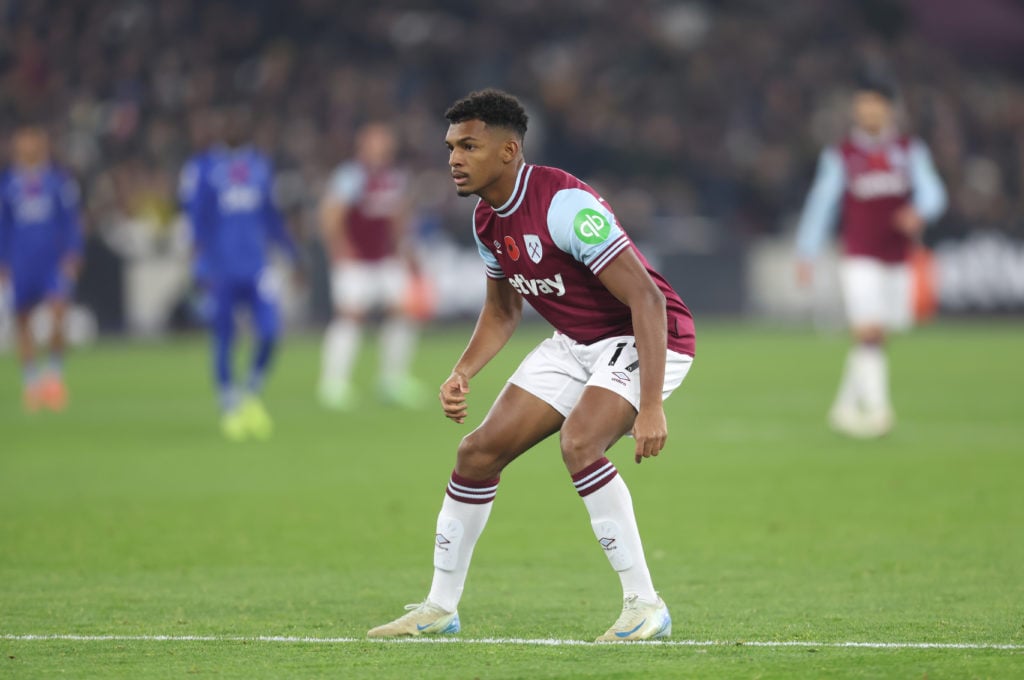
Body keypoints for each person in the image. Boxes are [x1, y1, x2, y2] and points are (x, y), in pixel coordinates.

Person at [367, 90, 696, 642]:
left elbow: (648, 300)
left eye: (469, 146)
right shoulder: (486, 221)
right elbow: (502, 311)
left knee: (581, 442)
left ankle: (645, 605)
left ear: (508, 150)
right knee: (476, 453)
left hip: (646, 336)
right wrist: (462, 371)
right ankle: (439, 608)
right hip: (576, 341)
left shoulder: (564, 206)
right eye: (450, 146)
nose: (454, 158)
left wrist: (652, 404)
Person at [795, 76, 947, 438]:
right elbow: (822, 203)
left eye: (874, 104)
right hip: (859, 255)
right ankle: (879, 412)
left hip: (898, 257)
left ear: (889, 109)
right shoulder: (842, 155)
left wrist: (920, 212)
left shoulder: (910, 150)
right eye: (862, 105)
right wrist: (807, 250)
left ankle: (844, 408)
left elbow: (933, 192)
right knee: (869, 330)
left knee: (878, 336)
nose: (867, 112)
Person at [187, 108, 300, 441]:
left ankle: (248, 392)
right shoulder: (203, 168)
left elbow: (270, 217)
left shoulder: (259, 167)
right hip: (220, 267)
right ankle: (228, 405)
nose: (233, 126)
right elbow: (197, 220)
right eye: (227, 121)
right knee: (224, 337)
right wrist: (199, 263)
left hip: (257, 266)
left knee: (270, 331)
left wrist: (292, 255)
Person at [317, 122, 424, 410]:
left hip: (386, 258)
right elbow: (331, 214)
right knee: (351, 316)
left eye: (385, 145)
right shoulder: (350, 176)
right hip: (355, 260)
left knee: (402, 312)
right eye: (376, 144)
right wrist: (340, 250)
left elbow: (399, 217)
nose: (381, 150)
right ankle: (333, 384)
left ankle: (392, 380)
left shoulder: (393, 177)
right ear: (363, 146)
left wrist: (406, 250)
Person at [0, 125, 83, 412]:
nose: (28, 147)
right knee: (22, 321)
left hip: (51, 262)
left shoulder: (58, 182)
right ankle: (31, 384)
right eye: (22, 142)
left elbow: (71, 220)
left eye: (32, 141)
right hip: (21, 263)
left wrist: (73, 254)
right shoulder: (8, 184)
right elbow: (3, 225)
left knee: (59, 313)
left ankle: (55, 376)